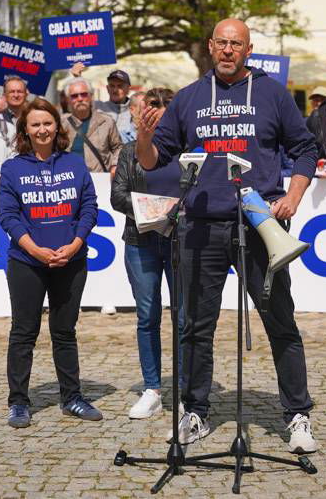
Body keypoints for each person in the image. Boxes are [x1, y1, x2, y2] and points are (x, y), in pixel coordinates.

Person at [136, 18, 319, 454]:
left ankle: (297, 415)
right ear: (210, 46)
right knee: (196, 327)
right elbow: (153, 160)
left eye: (236, 44)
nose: (228, 50)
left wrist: (293, 195)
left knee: (280, 323)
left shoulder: (273, 92)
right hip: (201, 226)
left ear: (249, 49)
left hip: (259, 224)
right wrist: (143, 136)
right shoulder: (189, 97)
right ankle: (195, 410)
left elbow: (305, 149)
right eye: (222, 43)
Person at [0, 98, 102, 428]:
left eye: (47, 123)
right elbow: (9, 216)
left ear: (57, 126)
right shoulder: (12, 169)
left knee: (64, 331)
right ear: (25, 131)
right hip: (26, 262)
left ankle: (72, 397)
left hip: (71, 261)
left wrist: (73, 246)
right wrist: (36, 251)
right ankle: (18, 402)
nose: (42, 129)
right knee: (23, 332)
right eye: (35, 125)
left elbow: (89, 208)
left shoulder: (74, 164)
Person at [111, 88, 184, 419]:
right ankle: (152, 388)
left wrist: (174, 213)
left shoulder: (188, 149)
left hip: (180, 241)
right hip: (141, 241)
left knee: (184, 318)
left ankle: (186, 389)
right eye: (154, 105)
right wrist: (154, 210)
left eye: (168, 105)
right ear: (143, 112)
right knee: (147, 315)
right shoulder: (129, 152)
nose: (161, 110)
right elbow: (117, 196)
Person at [61, 77, 123, 174]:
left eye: (84, 94)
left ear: (91, 97)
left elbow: (118, 147)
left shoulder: (106, 121)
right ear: (68, 100)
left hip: (100, 180)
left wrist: (115, 165)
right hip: (71, 180)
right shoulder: (61, 124)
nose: (80, 99)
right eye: (74, 96)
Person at [71, 63, 137, 143]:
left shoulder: (136, 109)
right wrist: (77, 77)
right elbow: (81, 98)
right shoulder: (97, 107)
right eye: (112, 86)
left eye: (120, 86)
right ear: (107, 88)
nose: (115, 90)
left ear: (128, 89)